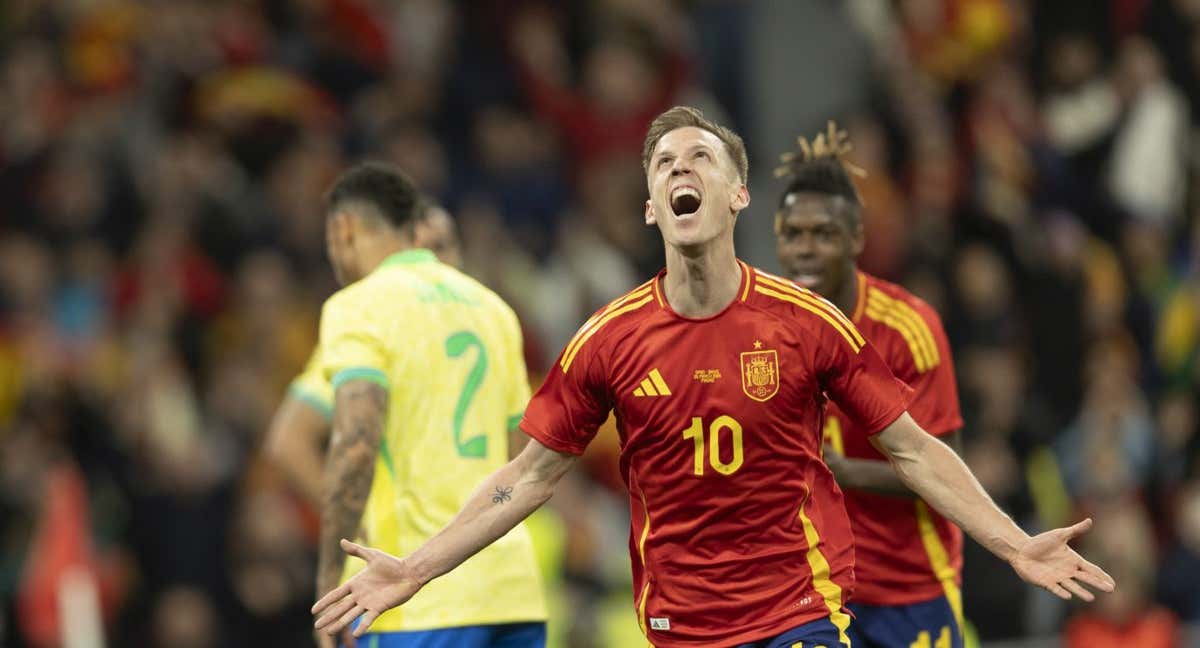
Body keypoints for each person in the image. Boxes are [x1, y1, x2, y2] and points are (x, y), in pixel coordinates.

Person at [312, 107, 1114, 648]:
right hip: (679, 627)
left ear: (734, 195)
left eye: (700, 156)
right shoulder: (608, 340)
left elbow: (914, 450)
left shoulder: (805, 324)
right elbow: (525, 480)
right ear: (654, 207)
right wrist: (413, 569)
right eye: (664, 163)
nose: (678, 167)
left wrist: (1014, 544)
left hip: (800, 610)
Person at [310, 164, 547, 648]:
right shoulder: (493, 309)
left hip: (414, 600)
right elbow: (523, 455)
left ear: (344, 230)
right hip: (512, 591)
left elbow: (355, 445)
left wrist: (330, 578)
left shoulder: (357, 307)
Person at [773, 123, 965, 647]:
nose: (806, 251)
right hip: (813, 594)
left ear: (856, 238)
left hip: (909, 588)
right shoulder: (765, 332)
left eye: (824, 234)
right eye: (794, 235)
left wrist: (841, 473)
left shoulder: (908, 329)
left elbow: (946, 466)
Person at [263, 197, 465, 508]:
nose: (431, 264)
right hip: (404, 546)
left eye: (440, 247)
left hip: (483, 545)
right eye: (416, 250)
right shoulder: (367, 331)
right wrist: (353, 525)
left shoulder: (491, 326)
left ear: (459, 253)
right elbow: (289, 441)